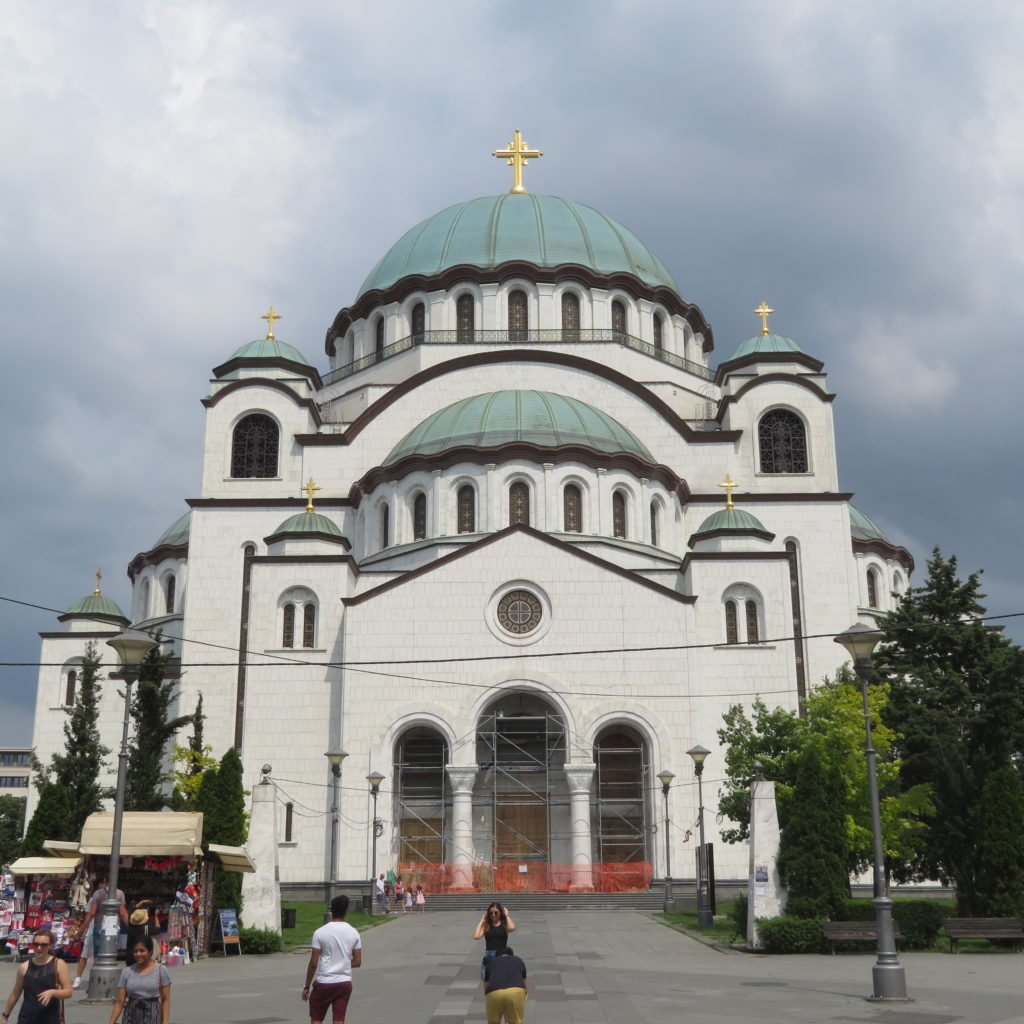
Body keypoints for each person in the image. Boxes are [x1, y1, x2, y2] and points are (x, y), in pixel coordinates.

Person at [302, 895, 362, 1024]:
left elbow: (313, 963)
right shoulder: (354, 933)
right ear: (346, 911)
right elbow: (357, 962)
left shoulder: (320, 932)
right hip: (344, 983)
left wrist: (306, 986)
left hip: (324, 982)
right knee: (339, 1020)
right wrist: (342, 963)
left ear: (331, 910)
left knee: (317, 1019)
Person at [2, 928, 73, 1024]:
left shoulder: (58, 964)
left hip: (50, 1019)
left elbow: (68, 992)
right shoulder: (24, 966)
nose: (39, 948)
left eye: (43, 945)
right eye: (36, 944)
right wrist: (5, 1016)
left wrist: (53, 992)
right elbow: (15, 993)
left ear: (50, 945)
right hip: (26, 1019)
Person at [73, 876, 129, 990]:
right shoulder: (119, 894)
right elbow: (122, 913)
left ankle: (94, 982)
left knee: (97, 956)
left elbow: (92, 913)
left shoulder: (98, 894)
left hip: (99, 926)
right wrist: (131, 927)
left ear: (104, 882)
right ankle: (103, 982)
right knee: (110, 954)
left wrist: (82, 929)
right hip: (114, 928)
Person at [107, 935, 170, 1024]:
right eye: (135, 951)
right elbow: (120, 1002)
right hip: (131, 1016)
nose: (138, 954)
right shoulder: (127, 972)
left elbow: (165, 999)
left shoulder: (161, 970)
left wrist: (165, 1022)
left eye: (142, 951)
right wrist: (111, 1022)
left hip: (153, 1016)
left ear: (150, 952)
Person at [482, 946, 528, 1024]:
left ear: (497, 955)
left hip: (494, 993)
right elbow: (524, 982)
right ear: (511, 955)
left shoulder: (492, 962)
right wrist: (524, 996)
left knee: (493, 1022)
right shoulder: (518, 960)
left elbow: (486, 984)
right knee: (515, 1022)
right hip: (515, 992)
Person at [473, 901, 516, 978]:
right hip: (489, 957)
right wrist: (481, 921)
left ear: (500, 913)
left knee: (501, 982)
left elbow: (512, 928)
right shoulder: (487, 926)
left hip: (502, 956)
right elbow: (476, 936)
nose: (493, 915)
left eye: (496, 912)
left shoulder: (504, 925)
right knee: (488, 984)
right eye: (491, 913)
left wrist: (507, 915)